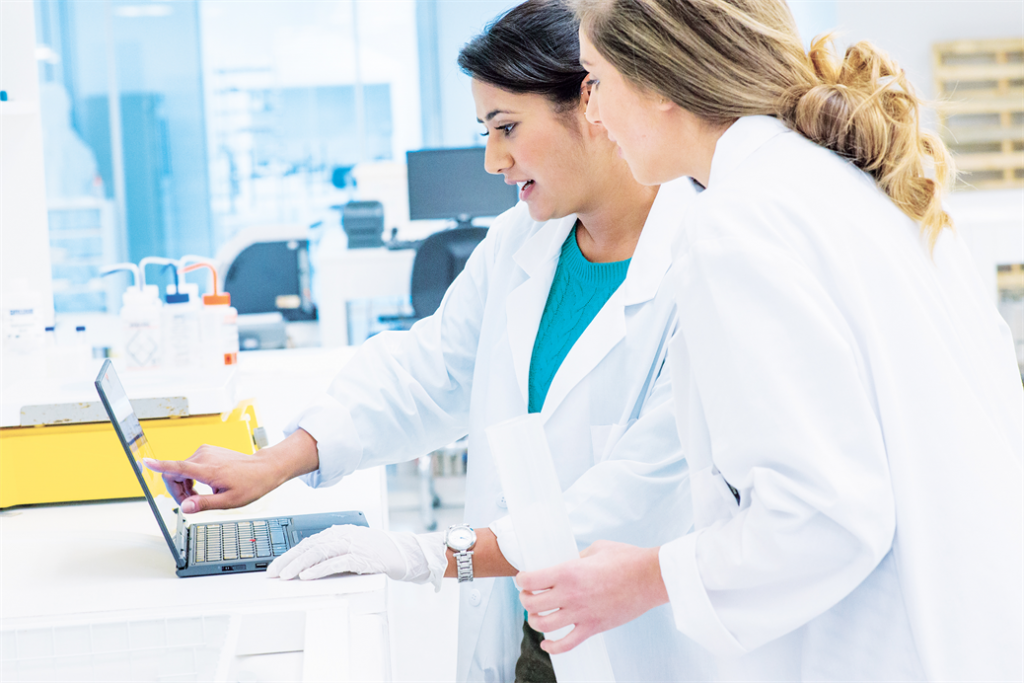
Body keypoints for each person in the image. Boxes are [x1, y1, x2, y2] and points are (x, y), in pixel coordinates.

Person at [146, 2, 708, 681]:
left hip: (645, 644)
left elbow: (634, 492)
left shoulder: (702, 262)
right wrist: (277, 462)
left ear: (593, 102)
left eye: (507, 128)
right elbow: (428, 371)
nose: (493, 159)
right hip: (528, 624)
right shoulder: (522, 244)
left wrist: (427, 553)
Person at [516, 1, 1024, 680]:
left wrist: (646, 576)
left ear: (660, 82)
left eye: (596, 81)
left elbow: (823, 516)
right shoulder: (855, 185)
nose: (596, 114)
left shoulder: (739, 223)